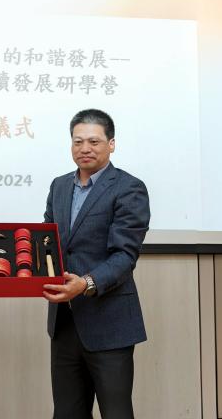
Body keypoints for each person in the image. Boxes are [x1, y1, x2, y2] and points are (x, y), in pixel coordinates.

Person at [42, 108, 150, 419]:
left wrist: (85, 284)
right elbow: (47, 243)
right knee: (66, 413)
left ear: (111, 144)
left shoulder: (129, 187)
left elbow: (125, 256)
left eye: (94, 141)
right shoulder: (59, 186)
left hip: (109, 321)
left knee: (116, 412)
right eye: (78, 142)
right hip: (64, 322)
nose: (85, 148)